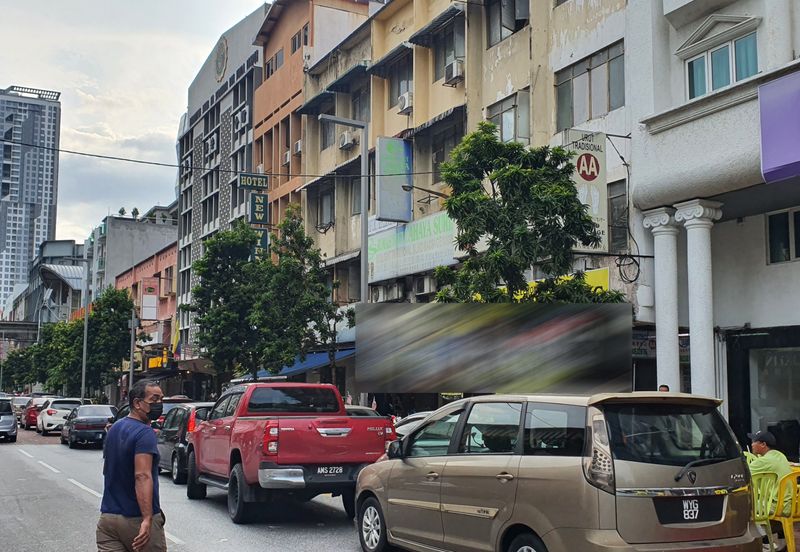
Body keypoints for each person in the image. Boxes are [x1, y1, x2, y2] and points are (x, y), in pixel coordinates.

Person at [97, 380, 167, 552]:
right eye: (154, 400)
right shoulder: (145, 433)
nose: (159, 404)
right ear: (137, 403)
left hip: (108, 521)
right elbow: (142, 476)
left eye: (161, 399)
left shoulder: (115, 428)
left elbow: (108, 469)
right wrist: (147, 519)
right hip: (135, 519)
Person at [746, 430, 792, 551]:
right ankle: (779, 542)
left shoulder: (764, 461)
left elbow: (742, 473)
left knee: (743, 508)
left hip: (775, 505)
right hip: (787, 502)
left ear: (763, 445)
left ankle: (765, 543)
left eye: (754, 442)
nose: (751, 444)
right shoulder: (780, 455)